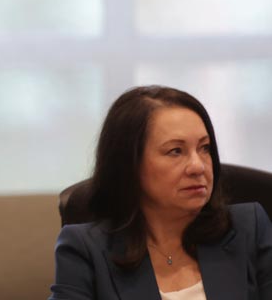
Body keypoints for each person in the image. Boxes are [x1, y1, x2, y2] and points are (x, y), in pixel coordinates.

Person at [50, 85, 272, 299]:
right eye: (175, 151)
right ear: (129, 164)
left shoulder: (249, 228)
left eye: (204, 148)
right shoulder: (85, 250)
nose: (198, 166)